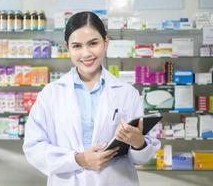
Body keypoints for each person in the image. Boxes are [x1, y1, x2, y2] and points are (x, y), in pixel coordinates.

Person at [23, 11, 161, 186]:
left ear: (106, 42)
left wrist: (138, 143)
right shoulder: (51, 93)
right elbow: (33, 147)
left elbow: (142, 157)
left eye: (93, 43)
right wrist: (78, 159)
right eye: (77, 46)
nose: (86, 53)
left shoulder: (127, 93)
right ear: (67, 48)